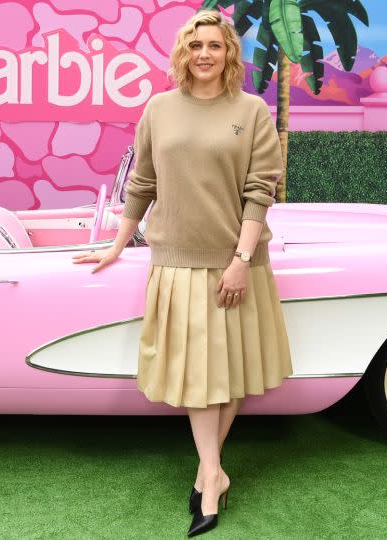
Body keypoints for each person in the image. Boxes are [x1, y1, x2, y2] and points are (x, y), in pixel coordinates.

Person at [72, 9, 292, 537]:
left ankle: (206, 472)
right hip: (176, 260)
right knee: (201, 377)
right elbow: (142, 183)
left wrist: (240, 261)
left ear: (228, 53)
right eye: (195, 46)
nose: (204, 54)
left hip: (236, 261)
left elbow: (259, 191)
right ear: (182, 53)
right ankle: (214, 473)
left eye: (214, 45)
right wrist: (117, 244)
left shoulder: (253, 110)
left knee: (230, 370)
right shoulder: (159, 108)